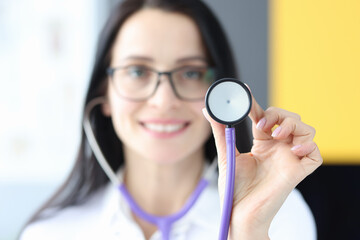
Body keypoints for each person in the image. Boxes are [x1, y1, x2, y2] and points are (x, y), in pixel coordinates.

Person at [20, 0, 322, 239]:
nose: (164, 101)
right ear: (105, 92)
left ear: (220, 92)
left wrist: (249, 231)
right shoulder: (50, 233)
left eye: (190, 73)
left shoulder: (279, 217)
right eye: (137, 71)